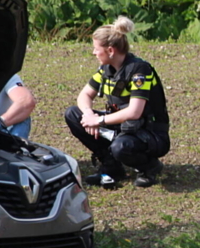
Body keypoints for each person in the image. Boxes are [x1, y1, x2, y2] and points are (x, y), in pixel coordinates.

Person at [64, 16, 170, 188]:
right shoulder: (107, 69)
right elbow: (84, 95)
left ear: (110, 51)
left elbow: (134, 112)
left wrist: (99, 120)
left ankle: (149, 167)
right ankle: (111, 165)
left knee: (121, 147)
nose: (93, 53)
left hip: (149, 132)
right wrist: (89, 114)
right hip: (123, 126)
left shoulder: (139, 71)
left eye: (96, 49)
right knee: (73, 114)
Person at [0, 73, 36, 138]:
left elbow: (26, 101)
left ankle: (17, 147)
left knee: (21, 114)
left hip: (6, 127)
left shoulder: (7, 76)